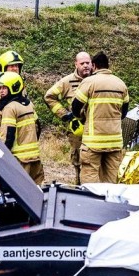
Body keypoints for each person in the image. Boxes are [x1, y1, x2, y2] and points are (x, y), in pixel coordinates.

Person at [72, 51, 129, 185]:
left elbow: (75, 107)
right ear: (108, 65)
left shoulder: (89, 82)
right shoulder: (121, 84)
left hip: (93, 142)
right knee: (111, 181)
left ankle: (92, 204)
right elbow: (124, 113)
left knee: (90, 179)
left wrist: (82, 117)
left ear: (94, 66)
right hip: (114, 142)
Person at [45, 51, 93, 184]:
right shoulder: (67, 82)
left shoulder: (97, 80)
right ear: (76, 64)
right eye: (82, 63)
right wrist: (65, 115)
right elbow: (49, 97)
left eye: (87, 63)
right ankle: (79, 185)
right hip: (77, 129)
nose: (85, 66)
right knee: (78, 159)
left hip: (96, 128)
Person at [0, 72, 45, 184]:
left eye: (4, 87)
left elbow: (8, 135)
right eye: (0, 88)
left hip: (20, 160)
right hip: (35, 158)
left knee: (17, 193)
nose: (1, 91)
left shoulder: (10, 108)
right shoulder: (29, 104)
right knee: (35, 191)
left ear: (13, 87)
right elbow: (38, 126)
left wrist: (2, 155)